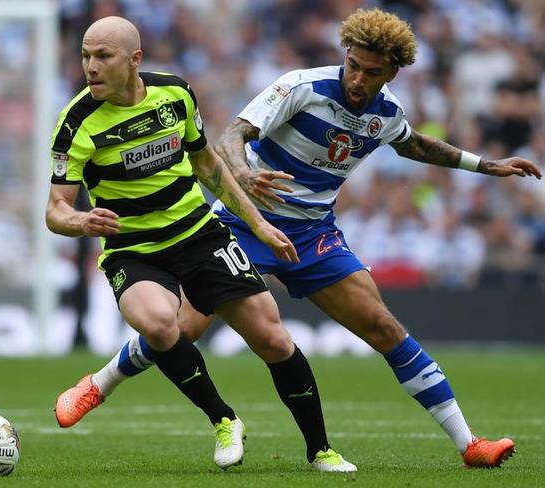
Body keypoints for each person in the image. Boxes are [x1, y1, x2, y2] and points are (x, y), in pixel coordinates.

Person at [77, 9, 543, 469]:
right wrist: (243, 174)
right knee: (179, 330)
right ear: (345, 54)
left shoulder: (385, 114)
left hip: (315, 235)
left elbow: (415, 143)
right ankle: (100, 382)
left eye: (371, 72)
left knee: (383, 327)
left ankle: (470, 445)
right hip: (245, 224)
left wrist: (485, 165)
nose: (358, 79)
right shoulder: (301, 87)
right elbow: (231, 136)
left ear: (393, 73)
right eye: (353, 65)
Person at [47, 16, 356, 473]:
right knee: (158, 325)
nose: (90, 66)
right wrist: (79, 220)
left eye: (103, 56)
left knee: (272, 338)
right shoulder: (76, 123)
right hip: (133, 248)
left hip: (199, 233)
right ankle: (224, 419)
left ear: (134, 60)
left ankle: (320, 451)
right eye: (85, 56)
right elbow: (55, 209)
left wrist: (261, 224)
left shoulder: (174, 94)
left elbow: (208, 165)